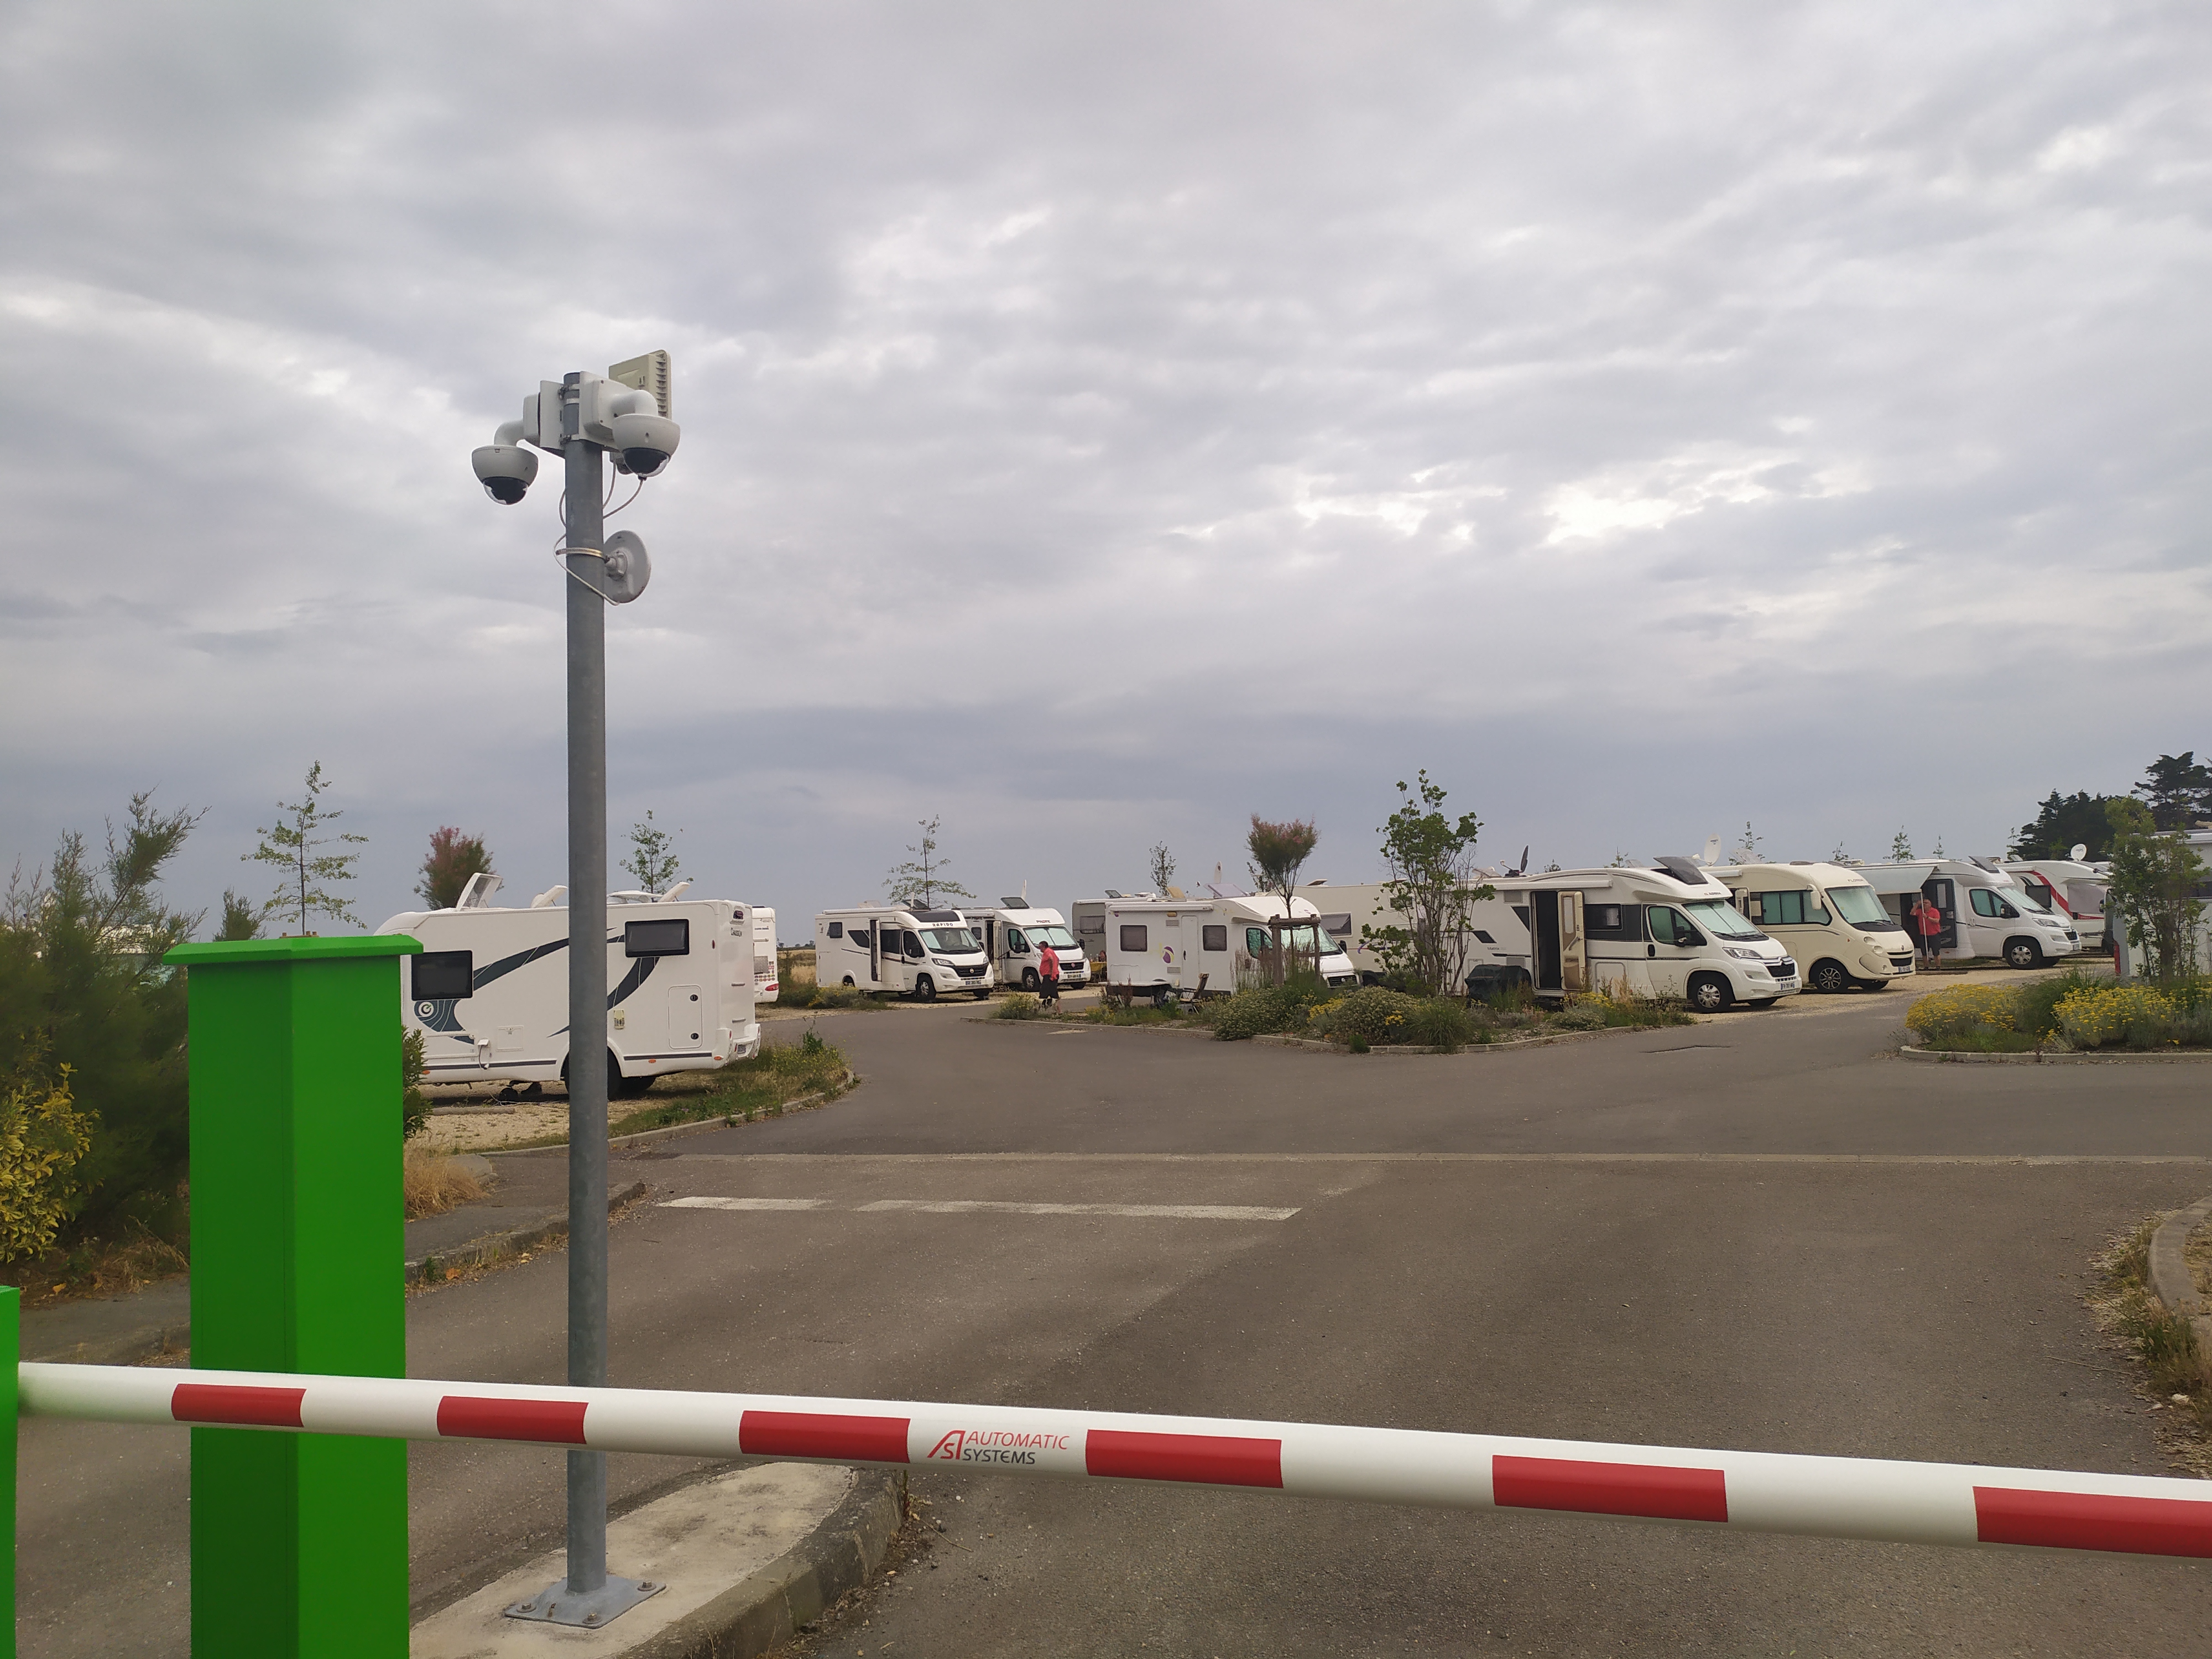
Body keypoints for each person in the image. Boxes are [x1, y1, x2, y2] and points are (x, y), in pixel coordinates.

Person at [1908, 893, 1943, 968]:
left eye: (1926, 903)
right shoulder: (1920, 911)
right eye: (1923, 903)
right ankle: (1926, 966)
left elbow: (1937, 921)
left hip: (1934, 934)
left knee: (1936, 952)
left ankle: (1938, 966)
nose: (1924, 904)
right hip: (1924, 934)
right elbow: (1912, 913)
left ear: (1930, 905)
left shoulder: (1934, 911)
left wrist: (1927, 917)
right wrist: (1917, 904)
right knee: (1924, 952)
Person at [1037, 938, 1062, 1008]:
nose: (1040, 949)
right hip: (1053, 974)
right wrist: (1055, 968)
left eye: (1040, 947)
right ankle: (1057, 1009)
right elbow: (1057, 959)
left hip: (1049, 975)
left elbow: (1051, 959)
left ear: (1043, 947)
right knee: (1053, 993)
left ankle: (1042, 1007)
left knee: (1043, 992)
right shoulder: (1051, 951)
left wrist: (1051, 971)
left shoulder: (1047, 952)